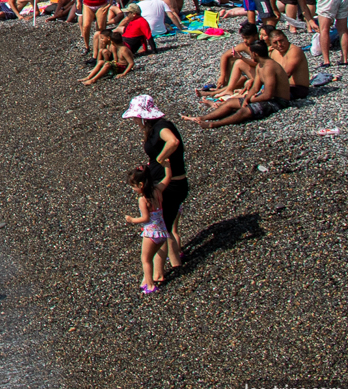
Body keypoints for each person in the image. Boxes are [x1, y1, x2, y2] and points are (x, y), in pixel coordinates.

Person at [124, 95, 188, 268]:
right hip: (166, 183)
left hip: (171, 185)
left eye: (135, 117)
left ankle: (158, 275)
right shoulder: (154, 129)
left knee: (161, 231)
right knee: (168, 228)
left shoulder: (162, 126)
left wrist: (161, 158)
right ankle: (175, 264)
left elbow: (173, 141)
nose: (135, 121)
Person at [183, 38, 291, 127]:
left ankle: (215, 124)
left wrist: (252, 99)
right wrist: (247, 98)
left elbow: (268, 95)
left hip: (279, 102)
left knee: (244, 112)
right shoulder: (260, 66)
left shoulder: (269, 67)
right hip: (268, 98)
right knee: (230, 103)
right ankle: (202, 118)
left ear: (254, 54)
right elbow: (255, 88)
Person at [124, 163, 170, 294]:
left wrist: (132, 220)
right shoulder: (157, 190)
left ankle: (150, 285)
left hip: (151, 233)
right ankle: (146, 281)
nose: (133, 189)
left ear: (141, 185)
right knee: (151, 255)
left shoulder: (143, 200)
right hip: (162, 231)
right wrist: (167, 165)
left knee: (145, 260)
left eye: (133, 186)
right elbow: (168, 177)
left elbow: (145, 218)